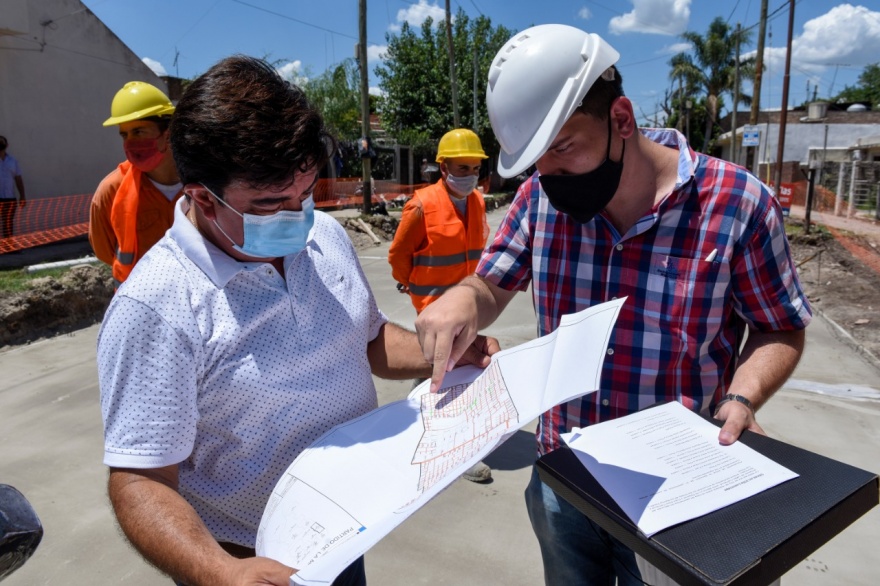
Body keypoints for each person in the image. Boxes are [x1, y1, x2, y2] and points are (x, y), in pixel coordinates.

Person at [415, 24, 811, 585]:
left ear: (621, 119)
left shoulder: (736, 202)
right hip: (566, 480)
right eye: (534, 160)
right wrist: (461, 299)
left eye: (562, 148)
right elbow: (491, 286)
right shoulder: (538, 201)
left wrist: (744, 397)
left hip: (681, 490)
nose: (546, 174)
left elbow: (780, 328)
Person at [96, 55, 497, 586]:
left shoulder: (324, 238)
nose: (296, 217)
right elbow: (140, 480)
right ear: (201, 198)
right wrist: (218, 570)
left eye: (305, 195)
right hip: (248, 560)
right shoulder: (156, 306)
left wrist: (437, 353)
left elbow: (368, 337)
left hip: (344, 531)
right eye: (269, 204)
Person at [388, 128, 492, 483]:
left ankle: (417, 423)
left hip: (466, 306)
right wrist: (410, 284)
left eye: (474, 168)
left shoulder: (477, 201)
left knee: (438, 369)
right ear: (443, 166)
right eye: (461, 168)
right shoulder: (421, 204)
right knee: (444, 369)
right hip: (434, 307)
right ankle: (452, 447)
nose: (469, 175)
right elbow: (399, 254)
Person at [90, 81, 183, 285]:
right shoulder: (112, 190)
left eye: (139, 131)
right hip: (140, 309)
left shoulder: (204, 182)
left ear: (167, 134)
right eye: (125, 134)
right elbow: (105, 253)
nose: (130, 142)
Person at [0, 136, 26, 239]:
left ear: (7, 145)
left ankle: (9, 246)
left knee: (8, 222)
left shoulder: (13, 161)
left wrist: (22, 196)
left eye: (2, 142)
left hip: (9, 198)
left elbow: (18, 178)